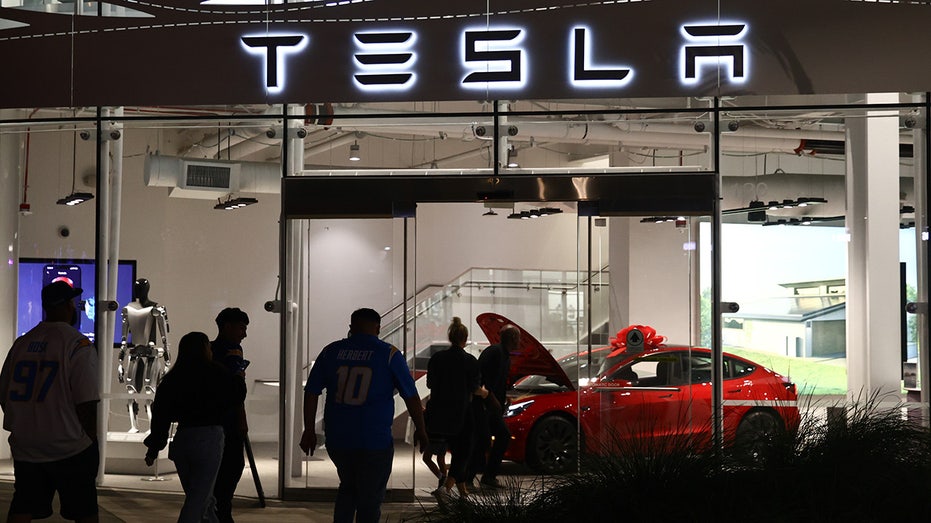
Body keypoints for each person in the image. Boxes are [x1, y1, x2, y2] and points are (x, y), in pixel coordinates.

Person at [299, 307, 428, 523]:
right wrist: (421, 429)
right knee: (370, 498)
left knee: (348, 488)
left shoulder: (331, 352)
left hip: (339, 440)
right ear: (377, 328)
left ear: (351, 327)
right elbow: (411, 396)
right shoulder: (389, 354)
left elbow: (311, 391)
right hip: (374, 441)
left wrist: (309, 430)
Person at [0, 281, 100, 523]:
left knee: (23, 504)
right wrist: (89, 440)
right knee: (84, 511)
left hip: (27, 446)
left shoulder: (21, 344)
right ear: (68, 305)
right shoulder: (78, 345)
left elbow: (4, 393)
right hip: (68, 446)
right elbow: (86, 402)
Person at [144, 332, 245, 523]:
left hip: (183, 438)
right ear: (205, 349)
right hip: (209, 437)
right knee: (199, 498)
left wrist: (154, 446)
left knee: (200, 495)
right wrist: (239, 376)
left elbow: (161, 415)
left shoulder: (173, 378)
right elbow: (235, 396)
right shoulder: (216, 373)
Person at [425, 317, 488, 499]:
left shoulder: (437, 358)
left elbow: (430, 384)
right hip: (461, 413)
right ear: (465, 338)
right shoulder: (469, 361)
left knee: (457, 451)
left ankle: (463, 493)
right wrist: (484, 393)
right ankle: (446, 488)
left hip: (437, 413)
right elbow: (475, 388)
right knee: (464, 452)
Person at [210, 307, 250, 523]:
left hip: (211, 421)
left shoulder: (208, 350)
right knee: (231, 468)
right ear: (228, 327)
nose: (244, 334)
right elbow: (237, 391)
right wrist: (242, 419)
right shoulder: (232, 351)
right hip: (227, 421)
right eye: (242, 328)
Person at [118, 277, 171, 433]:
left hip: (151, 355)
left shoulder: (156, 309)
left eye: (140, 288)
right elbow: (123, 339)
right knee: (130, 391)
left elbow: (164, 337)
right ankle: (133, 426)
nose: (138, 291)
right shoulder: (128, 309)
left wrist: (168, 361)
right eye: (136, 288)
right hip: (134, 354)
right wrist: (120, 362)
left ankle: (151, 427)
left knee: (149, 393)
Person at [473, 323, 517, 489]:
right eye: (518, 338)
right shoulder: (496, 353)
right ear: (513, 338)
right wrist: (491, 398)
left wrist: (503, 399)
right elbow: (481, 379)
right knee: (486, 439)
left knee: (486, 440)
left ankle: (484, 476)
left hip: (490, 406)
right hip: (484, 406)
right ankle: (476, 477)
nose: (519, 341)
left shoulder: (501, 354)